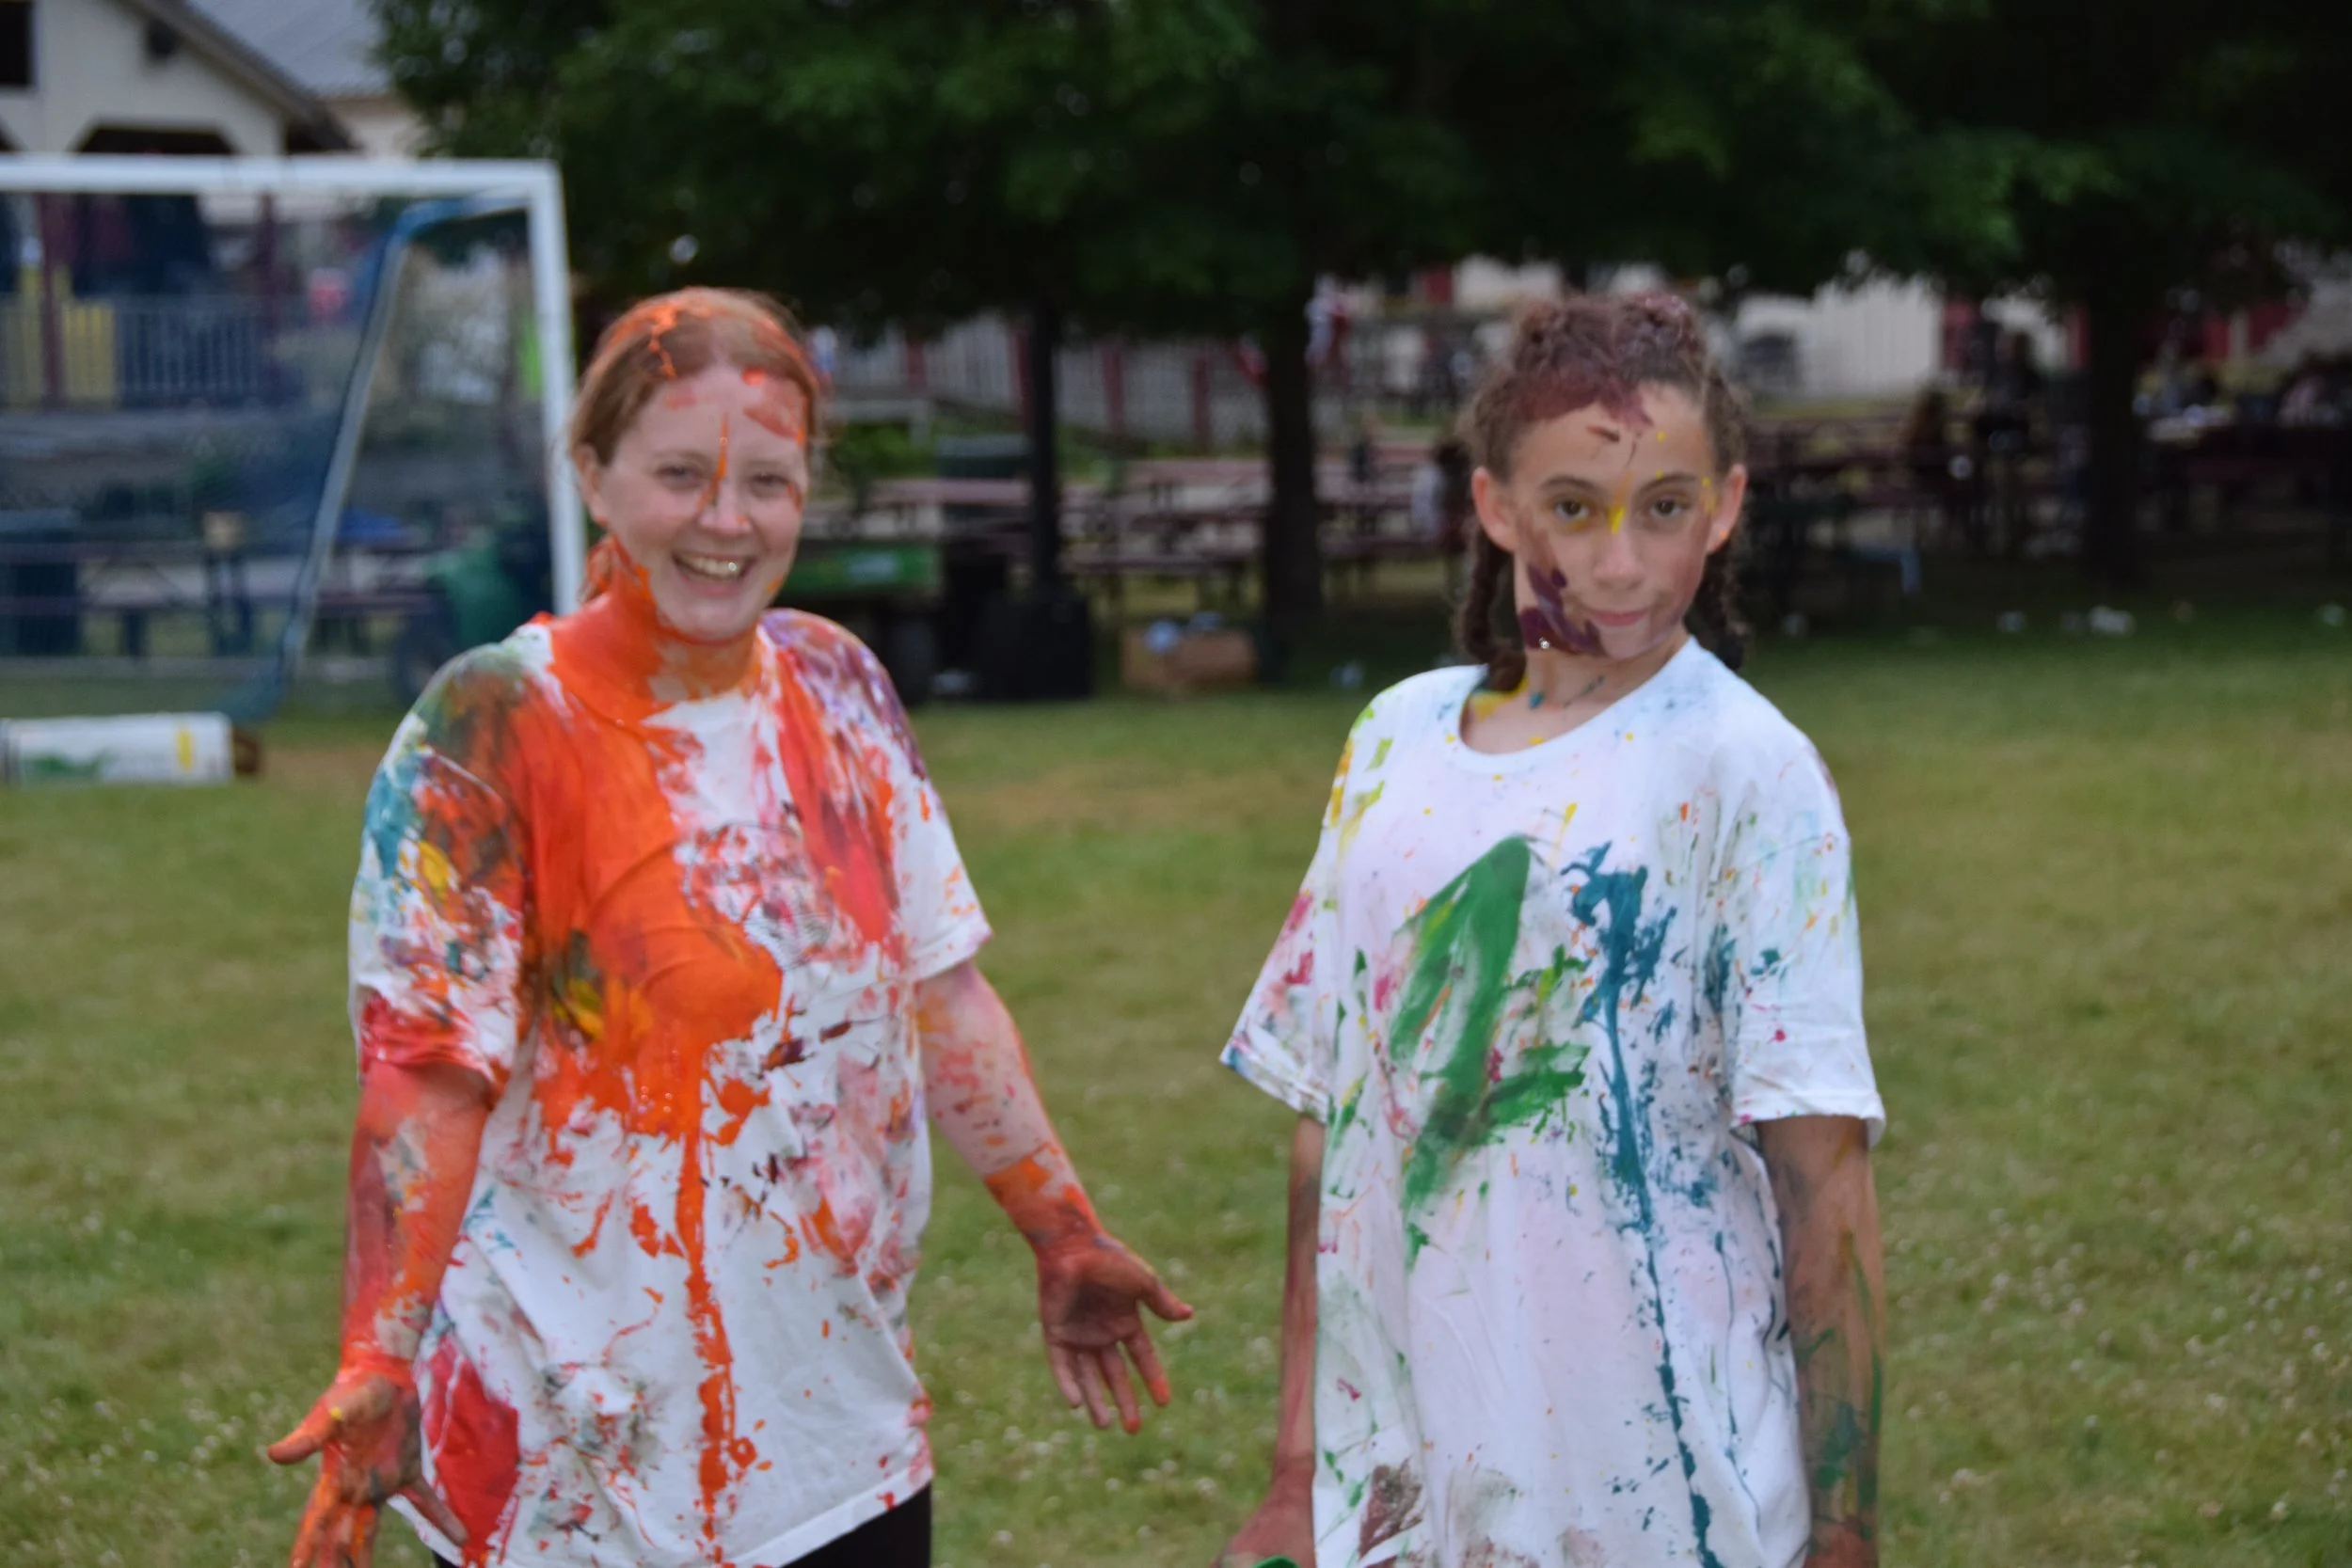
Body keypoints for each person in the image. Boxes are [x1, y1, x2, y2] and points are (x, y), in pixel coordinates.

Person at [267, 288, 1189, 1568]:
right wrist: (381, 1346)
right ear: (593, 474)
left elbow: (941, 996)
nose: (726, 519)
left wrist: (1063, 1226)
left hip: (843, 1439)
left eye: (769, 479)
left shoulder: (838, 684)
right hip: (579, 1471)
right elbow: (425, 1075)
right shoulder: (486, 727)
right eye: (681, 474)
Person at [1216, 293, 1886, 1568]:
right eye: (1574, 506)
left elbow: (1824, 1174)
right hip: (1411, 1493)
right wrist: (1299, 1471)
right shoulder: (1391, 743)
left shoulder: (1749, 770)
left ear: (1728, 504)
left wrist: (1846, 1527)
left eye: (1667, 507)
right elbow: (1325, 1127)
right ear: (1497, 507)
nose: (1622, 562)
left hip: (1663, 1494)